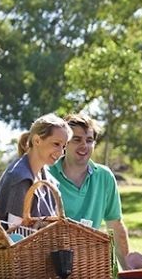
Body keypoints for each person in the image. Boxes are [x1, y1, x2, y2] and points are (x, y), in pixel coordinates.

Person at [48, 114, 131, 268]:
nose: (84, 145)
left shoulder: (105, 177)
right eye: (77, 139)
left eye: (89, 140)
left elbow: (115, 225)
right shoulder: (46, 173)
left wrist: (128, 272)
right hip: (50, 261)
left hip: (89, 264)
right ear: (65, 143)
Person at [0, 113, 71, 225]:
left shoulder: (50, 181)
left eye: (63, 146)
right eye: (56, 144)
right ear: (37, 141)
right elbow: (16, 235)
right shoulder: (20, 178)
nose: (61, 152)